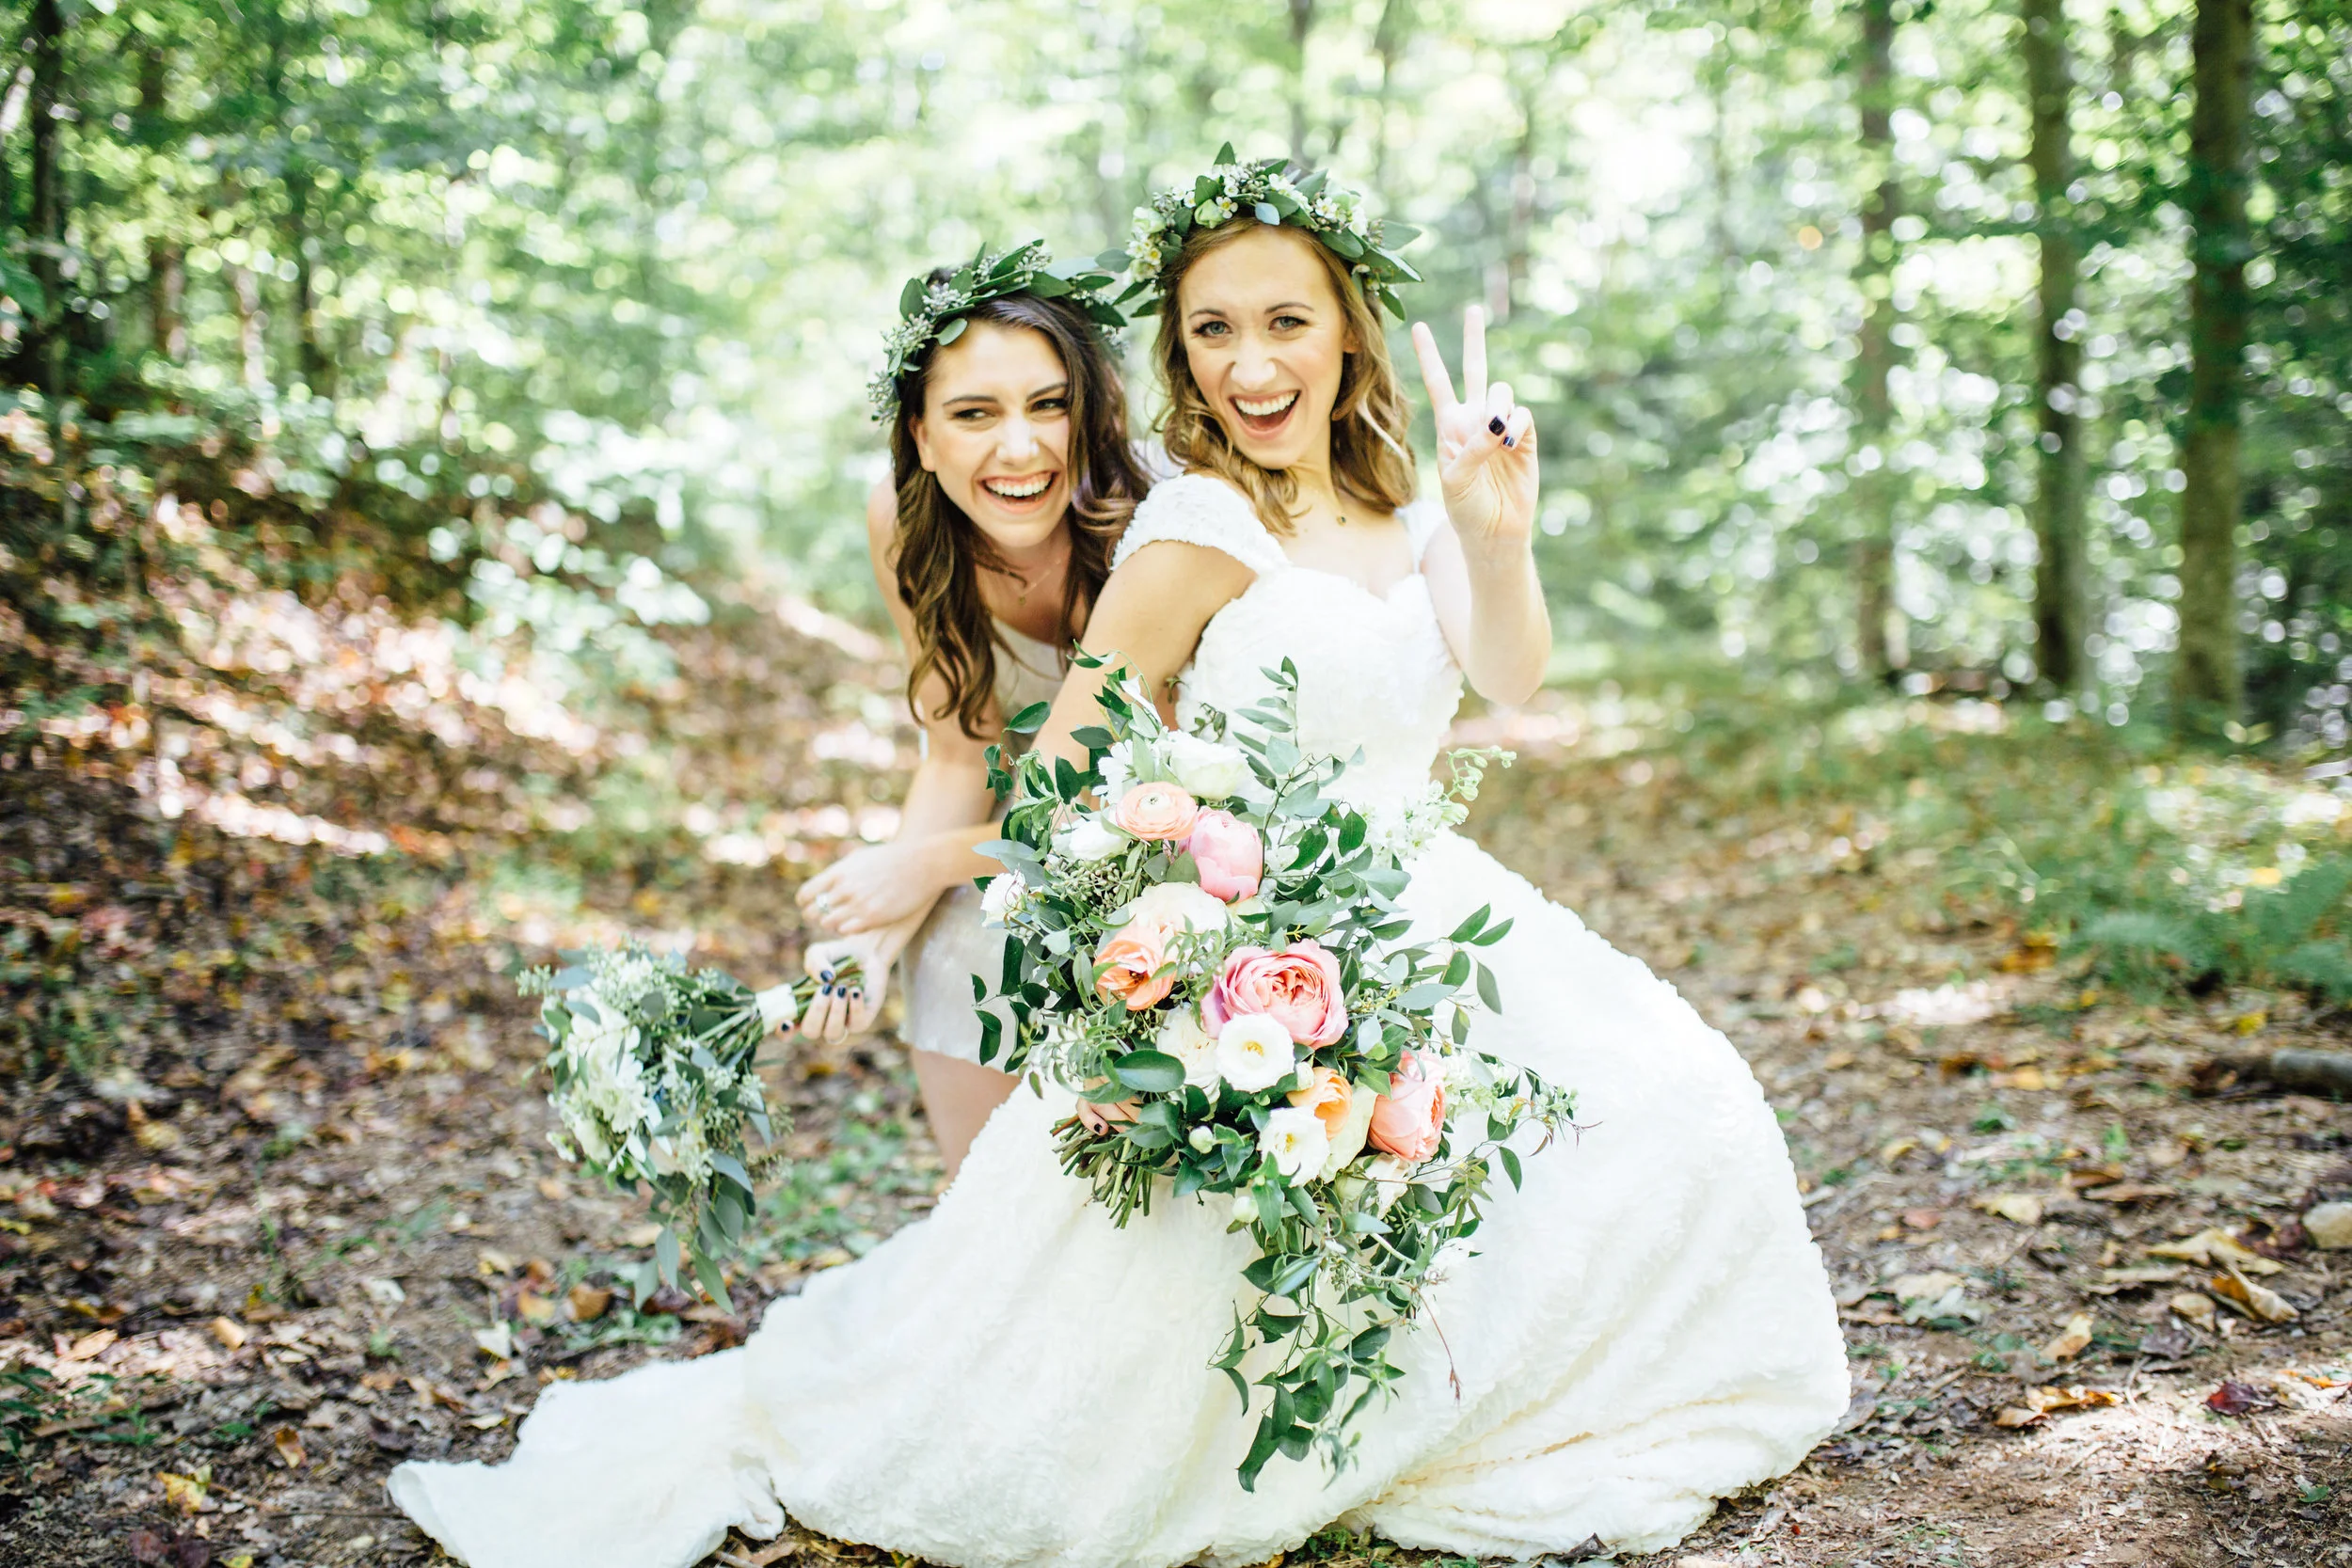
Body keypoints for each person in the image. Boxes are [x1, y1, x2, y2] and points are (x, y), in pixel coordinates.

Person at [388, 156, 1845, 1568]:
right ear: (1180, 354)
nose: (1250, 361)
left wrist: (1493, 530)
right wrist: (1193, 891)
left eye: (1286, 320)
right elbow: (1076, 763)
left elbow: (1509, 675)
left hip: (1433, 911)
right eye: (1213, 329)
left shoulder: (1411, 511)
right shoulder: (1199, 524)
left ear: (1349, 327)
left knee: (1687, 1105)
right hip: (1261, 924)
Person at [790, 242, 1151, 1175]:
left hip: (1191, 845)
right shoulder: (904, 524)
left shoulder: (1154, 523)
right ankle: (990, 1220)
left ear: (1091, 408)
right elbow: (959, 758)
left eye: (1048, 403)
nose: (1020, 447)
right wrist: (864, 949)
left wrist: (922, 861)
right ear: (919, 434)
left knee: (967, 897)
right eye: (973, 414)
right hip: (1046, 838)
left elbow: (1150, 805)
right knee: (951, 937)